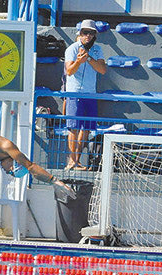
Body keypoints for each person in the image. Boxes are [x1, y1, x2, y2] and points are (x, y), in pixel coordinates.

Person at [64, 19, 106, 170]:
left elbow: (102, 70)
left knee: (86, 129)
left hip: (90, 94)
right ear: (79, 34)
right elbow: (69, 71)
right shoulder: (72, 49)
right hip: (74, 94)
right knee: (73, 128)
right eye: (85, 32)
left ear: (95, 35)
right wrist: (78, 62)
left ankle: (77, 160)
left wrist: (87, 58)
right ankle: (72, 161)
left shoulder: (98, 50)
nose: (88, 36)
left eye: (91, 33)